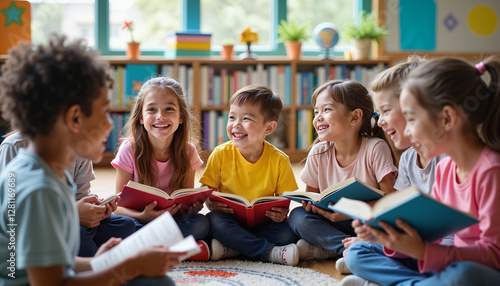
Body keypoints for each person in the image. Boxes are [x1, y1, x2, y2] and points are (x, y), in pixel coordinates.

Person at [0, 34, 184, 286]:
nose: (110, 124)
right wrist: (127, 268)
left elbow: (55, 262)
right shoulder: (39, 190)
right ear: (75, 118)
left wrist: (98, 263)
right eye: (103, 112)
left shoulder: (52, 172)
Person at [342, 57, 500, 286]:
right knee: (360, 251)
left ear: (447, 118)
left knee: (463, 276)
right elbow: (431, 232)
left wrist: (425, 252)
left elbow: (494, 255)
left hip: (478, 270)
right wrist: (386, 236)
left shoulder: (491, 172)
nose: (409, 130)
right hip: (447, 261)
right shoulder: (447, 168)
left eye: (412, 119)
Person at [335, 56, 449, 274]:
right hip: (413, 245)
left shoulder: (446, 158)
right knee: (357, 251)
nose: (380, 122)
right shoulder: (407, 159)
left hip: (442, 248)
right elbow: (399, 212)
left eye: (387, 111)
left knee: (458, 269)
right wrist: (376, 230)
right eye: (378, 114)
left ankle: (386, 277)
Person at [287, 80, 398, 262]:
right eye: (316, 112)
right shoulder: (318, 152)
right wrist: (311, 206)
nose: (318, 117)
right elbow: (311, 199)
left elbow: (391, 200)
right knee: (298, 217)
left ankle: (339, 248)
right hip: (332, 221)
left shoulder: (375, 148)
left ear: (354, 117)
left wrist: (348, 213)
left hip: (366, 223)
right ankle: (347, 248)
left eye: (327, 110)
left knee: (394, 224)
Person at [200, 84, 300, 265]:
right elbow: (206, 191)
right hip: (230, 219)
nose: (236, 124)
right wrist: (212, 204)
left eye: (246, 119)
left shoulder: (279, 159)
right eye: (232, 117)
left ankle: (233, 247)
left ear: (268, 128)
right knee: (213, 221)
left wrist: (281, 213)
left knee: (288, 232)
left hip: (264, 223)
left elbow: (285, 202)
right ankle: (267, 252)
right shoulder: (220, 153)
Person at [112, 76, 210, 260]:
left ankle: (147, 250)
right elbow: (116, 206)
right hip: (138, 220)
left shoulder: (188, 151)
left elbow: (185, 198)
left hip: (171, 221)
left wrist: (192, 208)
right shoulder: (129, 149)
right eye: (152, 110)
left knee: (201, 223)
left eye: (169, 109)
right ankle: (178, 248)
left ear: (181, 117)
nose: (160, 116)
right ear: (141, 117)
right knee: (118, 225)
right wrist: (143, 216)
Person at [0, 130, 136, 257]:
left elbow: (81, 196)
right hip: (37, 229)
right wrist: (72, 214)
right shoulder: (15, 148)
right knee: (80, 234)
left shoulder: (79, 147)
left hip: (68, 218)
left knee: (126, 225)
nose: (110, 125)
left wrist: (96, 208)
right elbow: (14, 218)